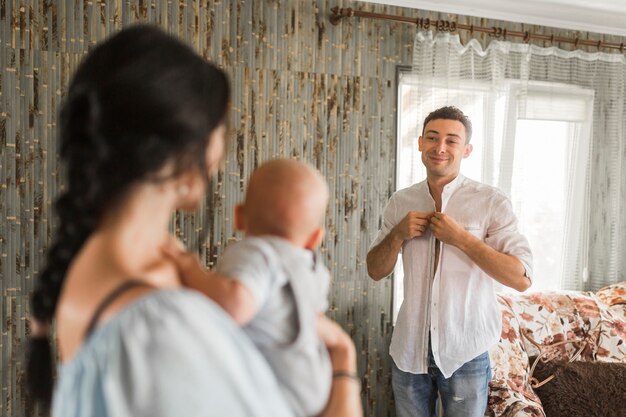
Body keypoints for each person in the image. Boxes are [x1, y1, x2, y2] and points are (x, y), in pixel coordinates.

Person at [26, 24, 361, 417]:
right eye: (221, 134)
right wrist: (343, 364)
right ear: (183, 157)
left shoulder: (108, 267)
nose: (219, 157)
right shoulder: (155, 318)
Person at [366, 106, 533, 417]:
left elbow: (521, 278)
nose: (440, 147)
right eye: (432, 137)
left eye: (451, 140)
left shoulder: (491, 202)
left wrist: (463, 239)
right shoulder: (400, 202)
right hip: (409, 350)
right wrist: (398, 235)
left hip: (465, 351)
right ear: (419, 143)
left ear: (466, 150)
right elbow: (375, 270)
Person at [164, 158, 336, 417]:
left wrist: (191, 268)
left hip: (275, 389)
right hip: (315, 381)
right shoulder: (313, 266)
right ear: (315, 238)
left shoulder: (257, 253)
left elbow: (236, 304)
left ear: (239, 217)